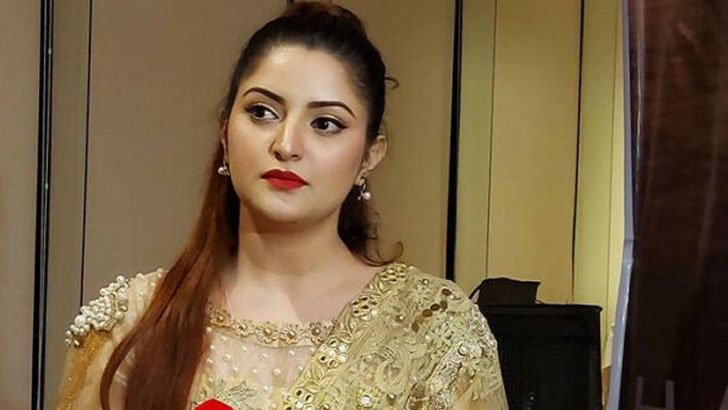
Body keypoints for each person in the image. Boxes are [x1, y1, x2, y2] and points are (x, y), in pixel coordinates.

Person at [55, 3, 508, 409]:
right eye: (262, 113)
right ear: (225, 133)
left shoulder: (432, 331)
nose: (287, 144)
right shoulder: (134, 321)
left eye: (325, 123)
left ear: (370, 156)